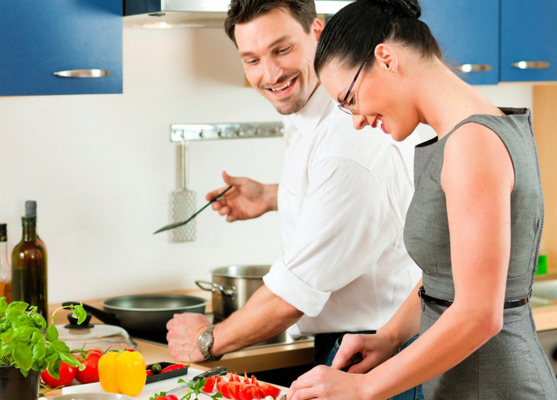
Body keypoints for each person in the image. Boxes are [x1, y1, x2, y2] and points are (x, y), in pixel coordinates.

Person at [285, 0, 557, 399]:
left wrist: (363, 387)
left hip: (495, 386)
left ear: (386, 59)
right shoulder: (469, 132)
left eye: (350, 99)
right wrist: (390, 335)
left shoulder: (471, 143)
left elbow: (479, 315)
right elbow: (447, 276)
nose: (357, 120)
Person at [166, 0, 421, 393]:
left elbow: (293, 294)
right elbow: (351, 205)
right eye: (252, 59)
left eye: (282, 50)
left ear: (317, 33)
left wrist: (207, 340)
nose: (270, 74)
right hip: (352, 344)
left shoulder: (346, 136)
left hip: (376, 352)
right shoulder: (312, 113)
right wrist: (272, 196)